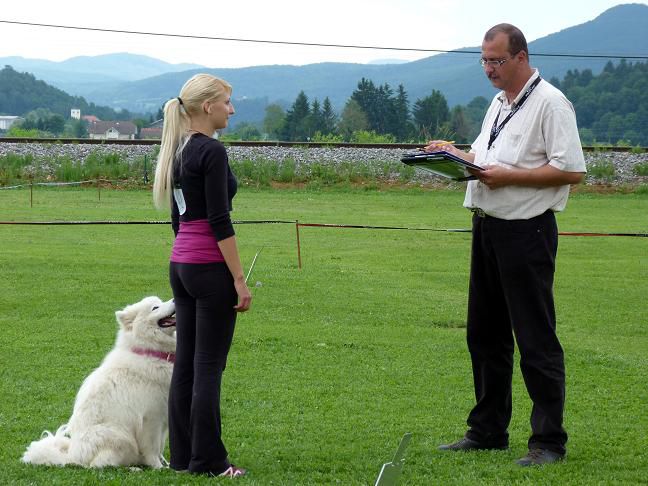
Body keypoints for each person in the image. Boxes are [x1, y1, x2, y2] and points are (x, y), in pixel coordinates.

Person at [426, 24, 586, 466]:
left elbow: (571, 170)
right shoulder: (498, 104)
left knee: (535, 337)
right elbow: (488, 159)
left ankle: (548, 442)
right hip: (488, 227)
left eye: (496, 60)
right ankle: (487, 430)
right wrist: (455, 155)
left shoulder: (551, 103)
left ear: (521, 57)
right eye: (484, 60)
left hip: (527, 231)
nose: (489, 69)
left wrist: (510, 177)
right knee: (484, 334)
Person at [153, 73, 252, 478]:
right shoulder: (211, 151)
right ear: (207, 106)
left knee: (188, 365)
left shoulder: (177, 150)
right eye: (227, 102)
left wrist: (187, 258)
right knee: (208, 366)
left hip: (182, 266)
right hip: (208, 268)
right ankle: (210, 461)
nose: (232, 109)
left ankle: (183, 457)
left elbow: (180, 219)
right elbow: (219, 220)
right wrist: (239, 280)